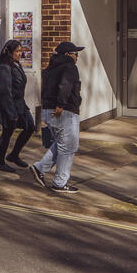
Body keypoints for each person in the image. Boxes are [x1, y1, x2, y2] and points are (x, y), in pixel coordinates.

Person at [30, 42, 83, 194]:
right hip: (64, 112)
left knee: (61, 144)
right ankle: (60, 183)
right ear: (67, 55)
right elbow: (65, 86)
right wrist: (60, 106)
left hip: (49, 110)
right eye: (75, 54)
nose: (77, 57)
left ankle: (39, 168)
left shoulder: (50, 68)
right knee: (69, 147)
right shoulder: (69, 67)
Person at [0, 39, 35, 172]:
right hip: (7, 104)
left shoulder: (15, 64)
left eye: (20, 51)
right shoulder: (4, 67)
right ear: (9, 52)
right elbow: (5, 91)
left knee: (30, 127)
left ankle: (13, 155)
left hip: (19, 103)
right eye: (17, 51)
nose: (19, 54)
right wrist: (11, 113)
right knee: (7, 132)